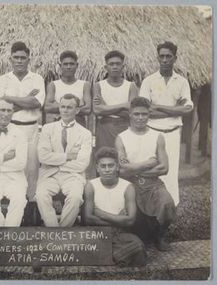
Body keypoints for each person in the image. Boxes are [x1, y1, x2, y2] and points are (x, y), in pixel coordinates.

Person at [115, 97, 176, 251]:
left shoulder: (157, 136)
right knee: (135, 223)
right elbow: (122, 170)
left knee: (167, 203)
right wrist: (148, 163)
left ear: (149, 114)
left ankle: (160, 236)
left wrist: (134, 168)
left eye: (144, 114)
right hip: (131, 183)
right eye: (136, 114)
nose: (140, 118)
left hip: (153, 184)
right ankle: (138, 235)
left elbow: (164, 168)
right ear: (130, 114)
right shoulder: (121, 137)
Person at [139, 41, 193, 206]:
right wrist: (175, 108)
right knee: (152, 169)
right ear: (157, 57)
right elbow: (145, 111)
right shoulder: (149, 81)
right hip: (152, 132)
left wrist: (158, 107)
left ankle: (170, 208)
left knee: (170, 171)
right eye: (161, 56)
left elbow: (187, 109)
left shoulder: (181, 81)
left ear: (175, 58)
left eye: (168, 56)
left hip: (172, 132)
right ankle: (151, 206)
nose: (164, 60)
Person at [0, 41, 45, 220]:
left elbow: (36, 103)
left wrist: (10, 99)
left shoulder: (37, 78)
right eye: (15, 57)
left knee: (32, 171)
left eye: (22, 58)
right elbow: (1, 105)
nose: (19, 61)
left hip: (31, 129)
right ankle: (11, 214)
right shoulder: (3, 79)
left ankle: (31, 216)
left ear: (28, 59)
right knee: (10, 169)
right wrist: (23, 99)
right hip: (11, 128)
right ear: (10, 59)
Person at [82, 147, 147, 267]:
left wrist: (99, 213)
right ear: (97, 168)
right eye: (103, 166)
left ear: (117, 167)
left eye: (110, 166)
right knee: (84, 244)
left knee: (138, 246)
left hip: (120, 234)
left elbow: (130, 220)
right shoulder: (91, 185)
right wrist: (118, 219)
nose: (107, 170)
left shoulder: (128, 187)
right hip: (98, 233)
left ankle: (108, 256)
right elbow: (87, 218)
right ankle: (115, 256)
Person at [36, 94, 92, 227]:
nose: (65, 110)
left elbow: (82, 164)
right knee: (40, 195)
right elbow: (43, 156)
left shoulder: (85, 133)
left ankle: (63, 231)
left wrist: (55, 162)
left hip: (73, 176)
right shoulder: (47, 129)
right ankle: (53, 230)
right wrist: (67, 157)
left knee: (75, 197)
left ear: (77, 110)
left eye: (69, 107)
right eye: (63, 107)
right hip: (49, 175)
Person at [93, 50, 139, 149]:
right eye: (111, 64)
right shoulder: (98, 86)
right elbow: (97, 110)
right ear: (106, 67)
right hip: (104, 128)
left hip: (125, 127)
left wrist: (105, 107)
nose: (115, 67)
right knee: (104, 159)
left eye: (118, 64)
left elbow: (132, 112)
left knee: (124, 159)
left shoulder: (131, 86)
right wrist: (124, 105)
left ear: (123, 67)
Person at [44, 50, 91, 126]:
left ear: (77, 65)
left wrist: (59, 106)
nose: (68, 67)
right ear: (60, 65)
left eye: (71, 64)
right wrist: (76, 108)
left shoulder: (85, 85)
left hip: (78, 126)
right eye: (65, 64)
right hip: (58, 126)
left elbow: (88, 109)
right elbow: (47, 107)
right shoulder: (53, 85)